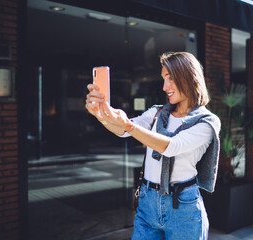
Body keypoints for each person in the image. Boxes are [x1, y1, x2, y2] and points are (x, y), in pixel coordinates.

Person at [85, 52, 221, 240]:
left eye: (171, 78)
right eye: (164, 79)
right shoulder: (157, 113)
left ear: (189, 77)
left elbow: (172, 146)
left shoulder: (207, 122)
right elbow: (123, 129)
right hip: (148, 202)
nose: (165, 87)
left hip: (183, 206)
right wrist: (101, 115)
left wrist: (126, 124)